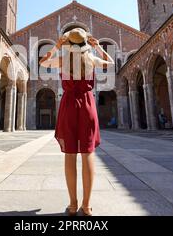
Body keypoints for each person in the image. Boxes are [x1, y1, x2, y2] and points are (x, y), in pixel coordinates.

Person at [39, 28, 115, 216]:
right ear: (84, 44)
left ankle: (73, 205)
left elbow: (43, 62)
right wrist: (97, 47)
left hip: (68, 105)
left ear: (69, 44)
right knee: (88, 153)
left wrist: (56, 46)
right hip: (87, 104)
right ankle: (87, 206)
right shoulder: (91, 59)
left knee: (70, 154)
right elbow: (110, 63)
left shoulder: (63, 60)